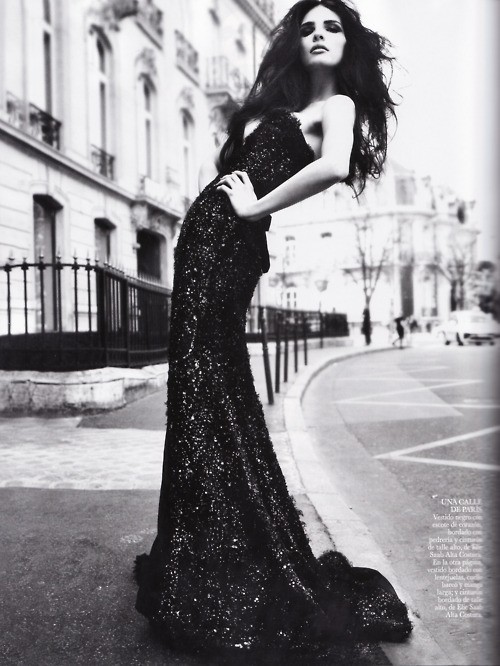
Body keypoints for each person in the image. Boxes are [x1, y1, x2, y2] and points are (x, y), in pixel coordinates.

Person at [134, 0, 412, 658]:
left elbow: (334, 166)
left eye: (331, 27)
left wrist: (255, 205)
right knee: (198, 389)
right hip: (208, 239)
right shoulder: (280, 103)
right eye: (307, 27)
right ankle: (200, 546)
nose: (318, 35)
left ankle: (226, 552)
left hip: (232, 241)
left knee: (209, 385)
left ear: (348, 43)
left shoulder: (337, 105)